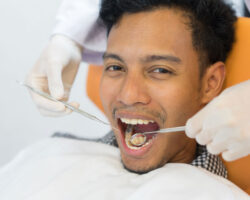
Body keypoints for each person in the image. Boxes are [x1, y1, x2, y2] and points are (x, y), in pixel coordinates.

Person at [1, 0, 249, 199]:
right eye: (115, 67)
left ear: (211, 83)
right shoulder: (51, 155)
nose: (128, 96)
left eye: (160, 70)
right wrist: (67, 37)